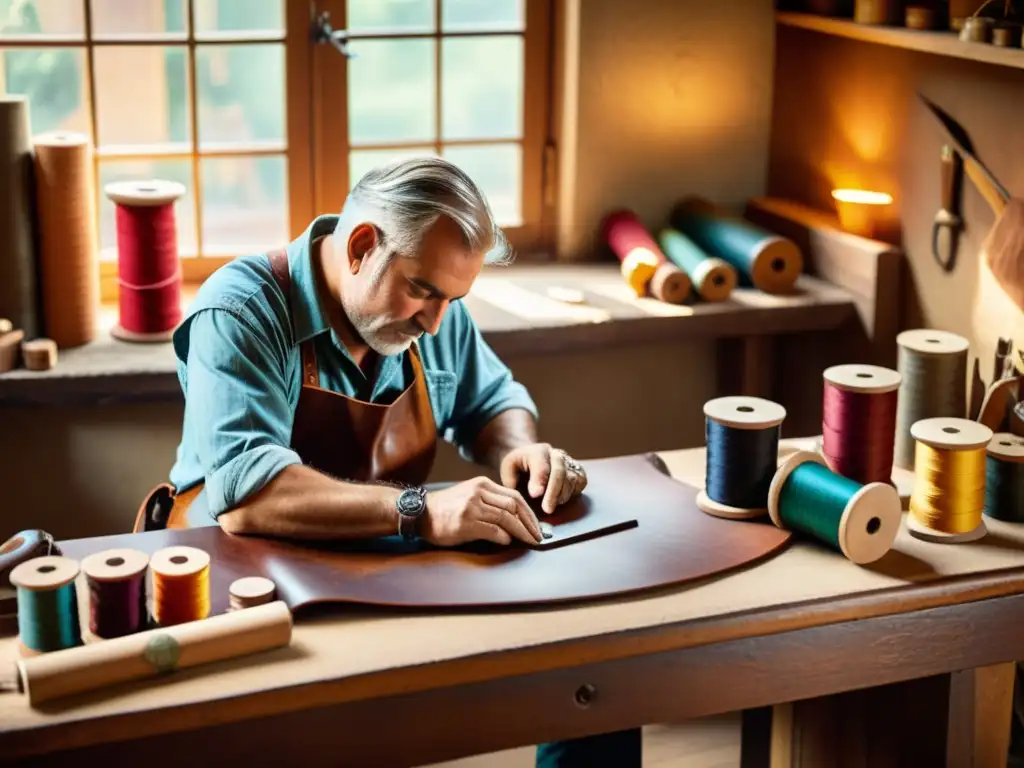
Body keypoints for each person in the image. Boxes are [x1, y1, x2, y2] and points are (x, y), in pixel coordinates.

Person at [134, 157, 641, 767]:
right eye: (423, 290)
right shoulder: (242, 309)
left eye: (453, 298)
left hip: (368, 565)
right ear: (361, 246)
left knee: (591, 666)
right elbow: (248, 496)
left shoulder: (434, 314)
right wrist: (420, 510)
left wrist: (519, 451)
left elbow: (493, 403)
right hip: (234, 584)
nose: (434, 322)